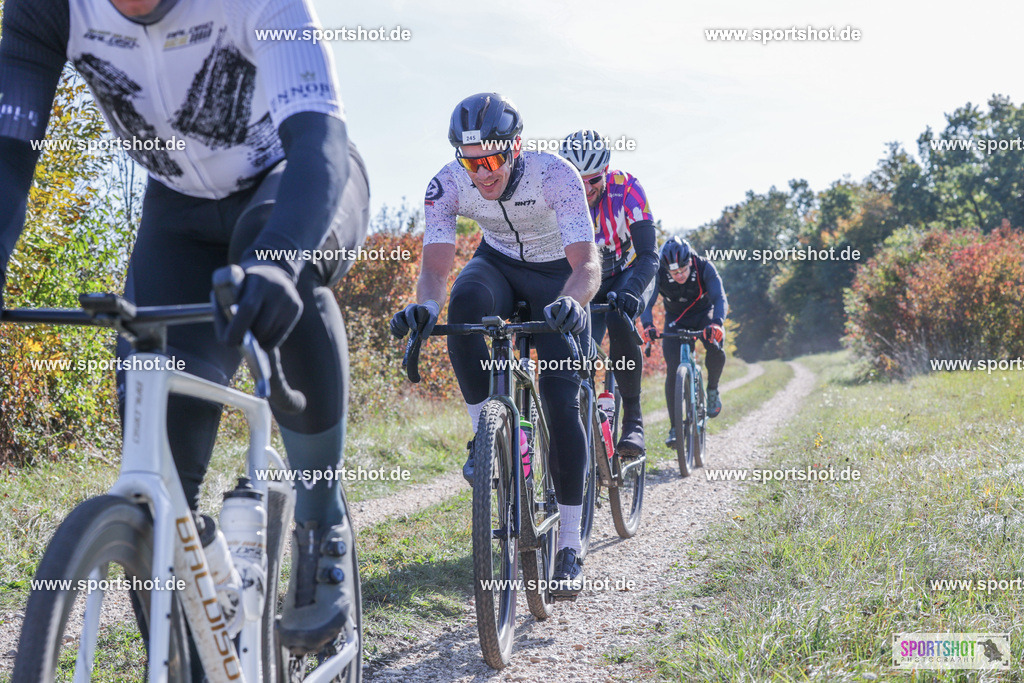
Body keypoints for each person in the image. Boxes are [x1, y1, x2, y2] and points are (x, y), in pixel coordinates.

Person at [0, 0, 370, 654]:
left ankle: (320, 516)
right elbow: (6, 161)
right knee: (160, 486)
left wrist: (282, 260)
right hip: (178, 218)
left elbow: (318, 141)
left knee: (281, 258)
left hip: (292, 184)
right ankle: (195, 637)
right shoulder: (45, 9)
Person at [390, 93, 601, 595]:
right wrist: (425, 306)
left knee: (561, 401)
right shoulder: (446, 184)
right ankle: (482, 437)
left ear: (516, 147)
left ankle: (570, 542)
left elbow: (587, 265)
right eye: (470, 160)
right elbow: (435, 269)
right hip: (499, 265)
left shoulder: (556, 175)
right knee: (465, 303)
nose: (482, 174)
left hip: (558, 276)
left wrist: (573, 304)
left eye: (491, 159)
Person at [559, 130, 659, 457]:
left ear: (606, 171)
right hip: (589, 279)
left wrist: (631, 291)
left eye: (594, 180)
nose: (586, 189)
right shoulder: (556, 196)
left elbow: (649, 255)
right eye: (578, 180)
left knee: (619, 320)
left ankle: (633, 419)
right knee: (575, 346)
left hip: (631, 273)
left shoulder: (627, 188)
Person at [641, 237, 728, 446]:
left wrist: (717, 323)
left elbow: (720, 298)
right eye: (674, 273)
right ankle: (674, 428)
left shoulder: (704, 266)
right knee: (673, 371)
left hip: (704, 314)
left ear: (689, 262)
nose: (679, 275)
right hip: (676, 319)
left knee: (715, 346)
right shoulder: (659, 273)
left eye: (682, 270)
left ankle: (713, 389)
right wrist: (648, 326)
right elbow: (647, 302)